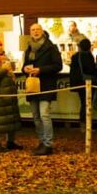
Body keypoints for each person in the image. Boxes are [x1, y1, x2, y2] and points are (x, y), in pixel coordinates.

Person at [23, 23, 63, 156]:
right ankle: (41, 141)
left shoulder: (51, 47)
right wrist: (25, 69)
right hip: (33, 86)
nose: (35, 32)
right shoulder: (29, 48)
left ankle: (48, 144)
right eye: (33, 30)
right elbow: (25, 64)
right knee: (35, 116)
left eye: (37, 29)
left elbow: (58, 66)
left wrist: (40, 70)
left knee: (44, 114)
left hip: (46, 85)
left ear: (42, 31)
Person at [69, 38, 97, 125]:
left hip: (79, 83)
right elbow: (91, 69)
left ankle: (83, 123)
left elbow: (73, 71)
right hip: (88, 82)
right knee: (87, 103)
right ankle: (86, 123)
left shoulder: (75, 56)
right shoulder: (89, 56)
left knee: (83, 102)